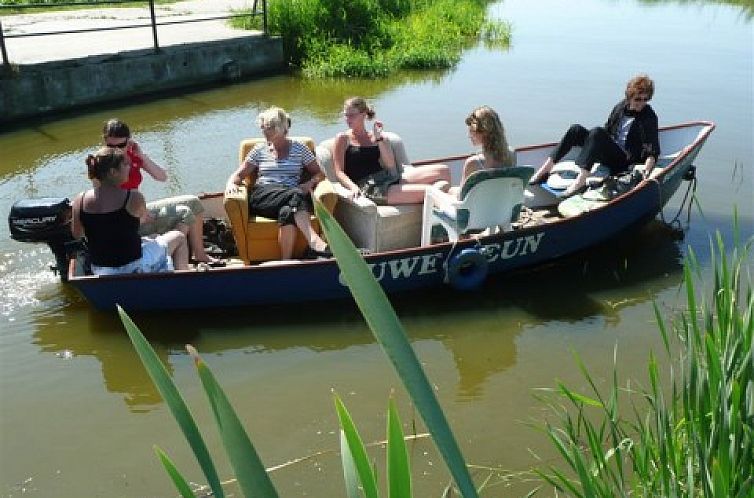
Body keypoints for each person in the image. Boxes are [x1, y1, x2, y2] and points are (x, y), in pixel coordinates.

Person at [102, 119, 222, 266]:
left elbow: (162, 177)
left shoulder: (133, 156)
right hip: (127, 221)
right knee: (184, 213)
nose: (116, 150)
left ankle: (199, 254)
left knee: (194, 202)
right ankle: (166, 260)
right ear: (105, 142)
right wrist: (140, 214)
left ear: (129, 141)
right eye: (111, 146)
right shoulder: (102, 164)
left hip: (141, 211)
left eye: (121, 145)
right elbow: (105, 201)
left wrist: (142, 156)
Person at [529, 74, 660, 198]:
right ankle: (545, 169)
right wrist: (594, 141)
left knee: (597, 132)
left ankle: (580, 181)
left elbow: (652, 149)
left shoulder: (648, 116)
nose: (642, 103)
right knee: (575, 129)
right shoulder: (621, 107)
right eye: (638, 99)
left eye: (645, 99)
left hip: (623, 160)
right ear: (629, 97)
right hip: (610, 151)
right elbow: (608, 129)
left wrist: (646, 172)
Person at [225, 106, 331, 260]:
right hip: (263, 195)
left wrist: (310, 183)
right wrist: (231, 184)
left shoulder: (300, 148)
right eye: (263, 128)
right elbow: (238, 175)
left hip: (290, 198)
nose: (265, 132)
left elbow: (319, 173)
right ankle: (315, 242)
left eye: (270, 128)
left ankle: (286, 261)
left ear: (282, 128)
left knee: (287, 212)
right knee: (297, 193)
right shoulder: (259, 149)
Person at [71, 147, 189, 276]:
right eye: (125, 164)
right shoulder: (133, 197)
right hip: (135, 266)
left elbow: (77, 234)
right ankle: (185, 285)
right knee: (179, 237)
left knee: (150, 239)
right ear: (112, 172)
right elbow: (139, 222)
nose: (130, 168)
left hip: (102, 270)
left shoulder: (79, 200)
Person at [332, 97, 451, 204]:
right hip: (369, 186)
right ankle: (451, 212)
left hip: (387, 177)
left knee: (443, 170)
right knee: (431, 191)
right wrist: (352, 187)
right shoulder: (342, 138)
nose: (347, 119)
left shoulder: (374, 136)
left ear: (363, 114)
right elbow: (339, 172)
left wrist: (379, 138)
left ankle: (447, 200)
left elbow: (390, 164)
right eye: (345, 115)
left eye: (351, 115)